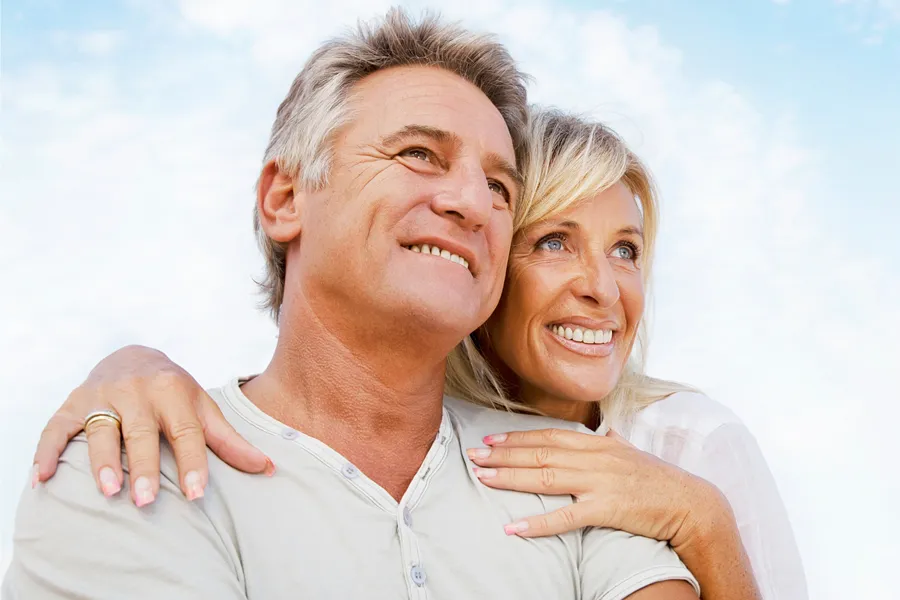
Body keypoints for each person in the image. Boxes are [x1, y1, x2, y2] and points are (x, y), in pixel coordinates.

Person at [1, 9, 725, 600]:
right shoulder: (128, 462)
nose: (471, 202)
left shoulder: (578, 475)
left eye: (500, 187)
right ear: (285, 199)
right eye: (418, 154)